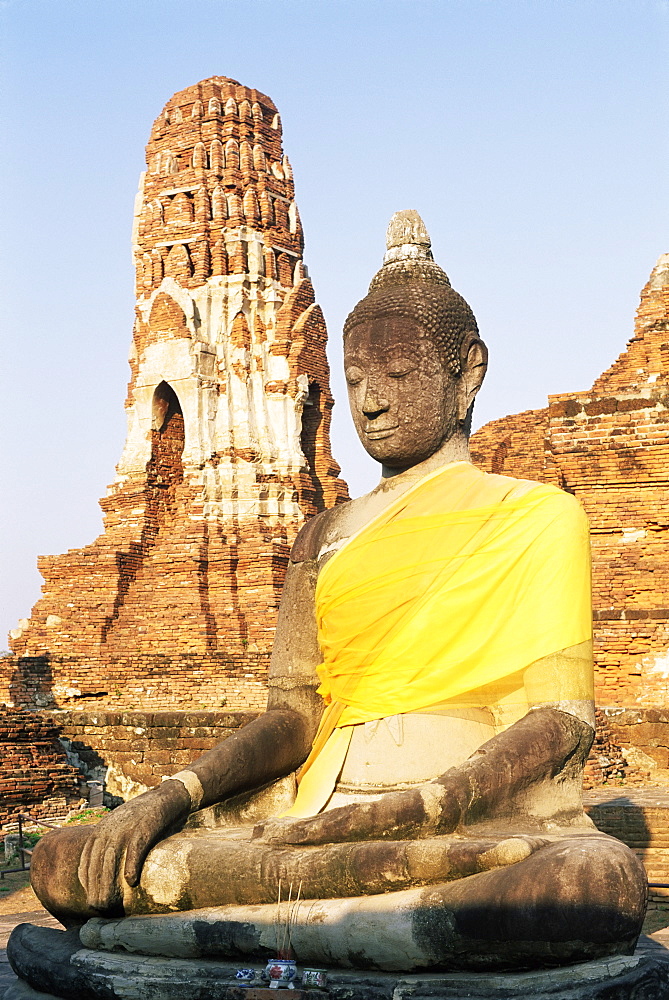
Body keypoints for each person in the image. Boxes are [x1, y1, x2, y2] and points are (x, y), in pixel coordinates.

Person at [13, 212, 646, 985]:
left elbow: (559, 718)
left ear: (468, 372)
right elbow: (293, 716)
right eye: (351, 380)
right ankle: (354, 938)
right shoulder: (323, 534)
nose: (370, 402)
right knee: (65, 860)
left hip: (452, 826)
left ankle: (176, 943)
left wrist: (424, 806)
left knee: (583, 885)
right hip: (304, 817)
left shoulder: (535, 514)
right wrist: (167, 798)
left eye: (399, 376)